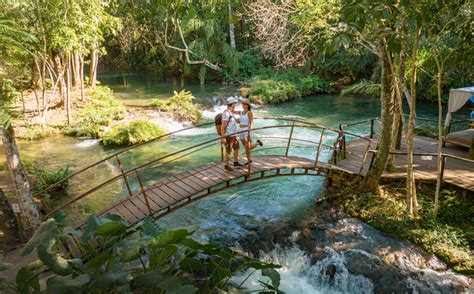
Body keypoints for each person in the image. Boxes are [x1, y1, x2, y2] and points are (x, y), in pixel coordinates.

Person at [221, 96, 243, 171]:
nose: (236, 104)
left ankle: (236, 162)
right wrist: (223, 137)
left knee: (237, 148)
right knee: (228, 151)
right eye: (235, 103)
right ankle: (226, 166)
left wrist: (240, 119)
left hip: (234, 135)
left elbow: (235, 121)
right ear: (232, 104)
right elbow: (223, 126)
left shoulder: (231, 112)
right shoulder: (226, 113)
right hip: (228, 136)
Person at [239, 98, 263, 165]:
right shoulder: (240, 112)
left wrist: (249, 133)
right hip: (241, 131)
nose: (243, 105)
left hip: (247, 131)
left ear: (247, 105)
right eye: (242, 103)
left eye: (244, 104)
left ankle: (249, 160)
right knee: (246, 147)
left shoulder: (250, 113)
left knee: (247, 147)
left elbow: (251, 124)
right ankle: (257, 143)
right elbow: (238, 120)